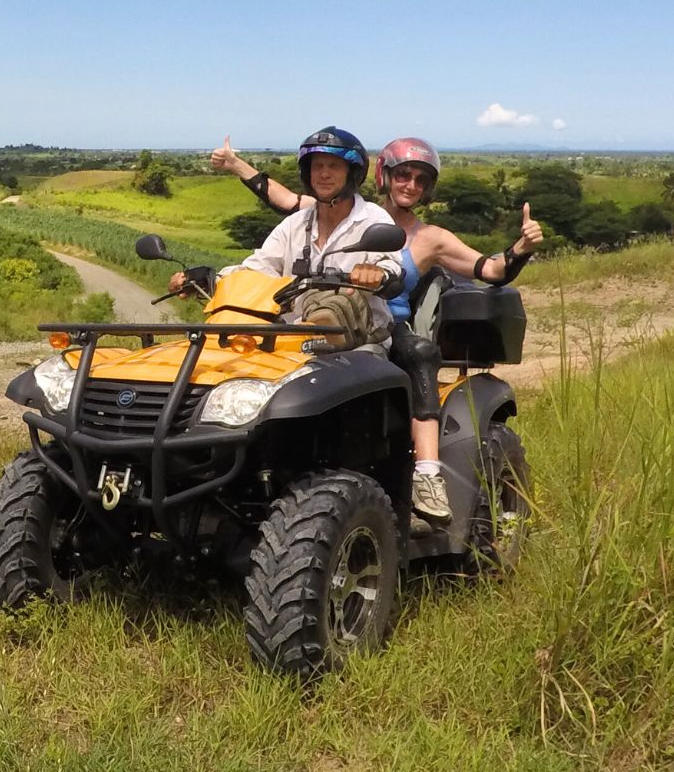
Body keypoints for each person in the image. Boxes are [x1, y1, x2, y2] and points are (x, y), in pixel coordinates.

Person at [211, 136, 543, 527]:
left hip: (382, 321)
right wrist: (236, 165)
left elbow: (490, 270)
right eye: (404, 175)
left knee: (420, 353)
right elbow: (280, 200)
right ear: (384, 176)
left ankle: (428, 474)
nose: (411, 186)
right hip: (306, 323)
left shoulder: (428, 236)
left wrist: (520, 249)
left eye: (421, 180)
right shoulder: (325, 211)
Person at [170, 127, 401, 344]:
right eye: (317, 166)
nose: (324, 174)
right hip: (293, 340)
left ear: (352, 173)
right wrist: (209, 278)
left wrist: (376, 274)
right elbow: (259, 269)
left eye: (333, 166)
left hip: (359, 340)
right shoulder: (295, 224)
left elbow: (392, 267)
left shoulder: (372, 219)